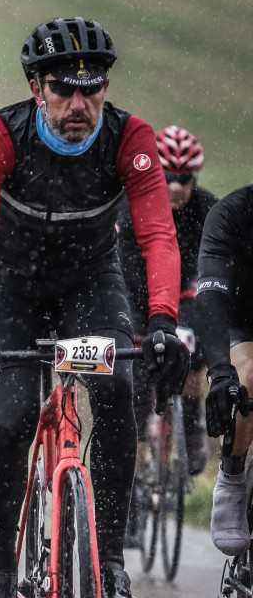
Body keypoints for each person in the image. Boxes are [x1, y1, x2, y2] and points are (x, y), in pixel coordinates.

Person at [0, 17, 189, 598]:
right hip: (11, 287)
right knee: (12, 419)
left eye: (93, 89)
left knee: (115, 390)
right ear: (37, 89)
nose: (79, 105)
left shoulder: (128, 137)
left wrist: (163, 323)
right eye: (63, 89)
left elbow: (158, 236)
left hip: (88, 286)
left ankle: (108, 560)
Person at [117, 125, 217, 477]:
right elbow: (124, 267)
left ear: (194, 178)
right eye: (168, 176)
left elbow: (218, 263)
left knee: (194, 345)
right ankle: (135, 463)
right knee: (138, 368)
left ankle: (191, 423)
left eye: (184, 178)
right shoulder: (131, 204)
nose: (176, 186)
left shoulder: (207, 208)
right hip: (139, 291)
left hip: (186, 289)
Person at [195, 186, 253, 556]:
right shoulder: (230, 214)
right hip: (240, 319)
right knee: (247, 379)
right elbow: (210, 296)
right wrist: (220, 373)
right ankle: (232, 474)